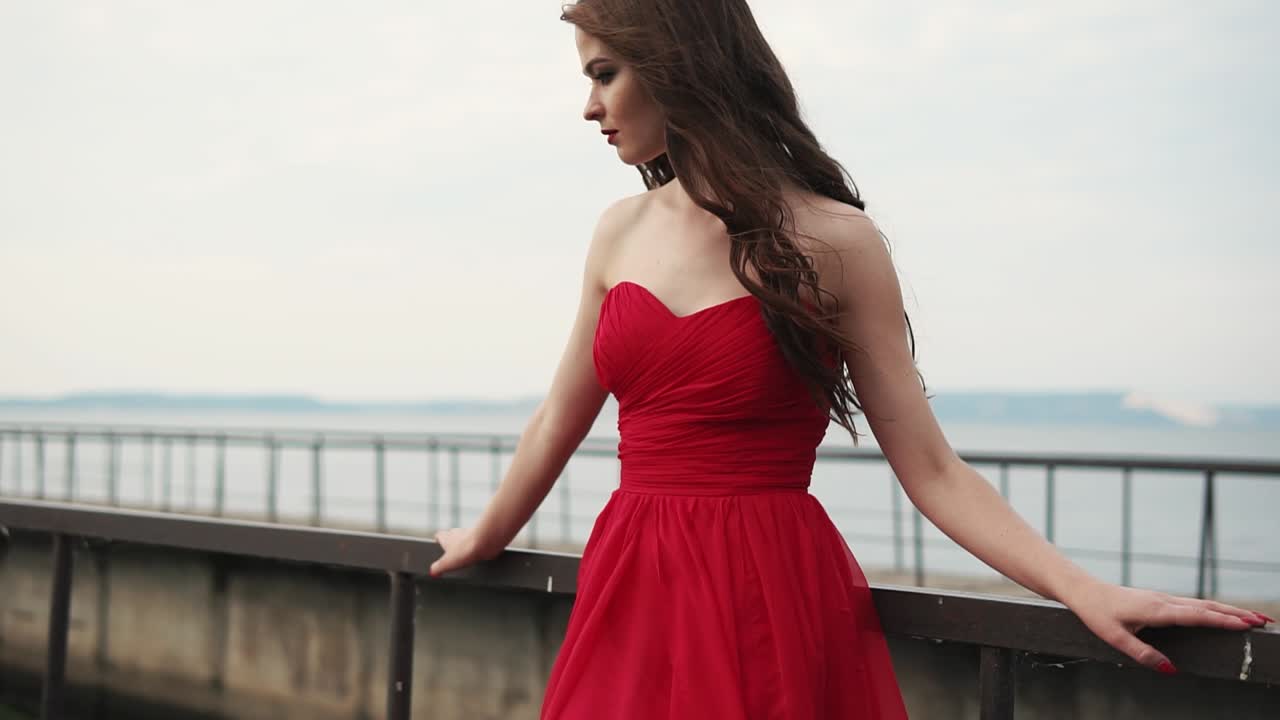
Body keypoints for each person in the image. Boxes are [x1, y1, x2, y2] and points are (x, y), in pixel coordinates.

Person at [429, 1, 1272, 717]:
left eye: (603, 73)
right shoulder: (618, 229)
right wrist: (486, 533)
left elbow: (933, 469)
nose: (589, 105)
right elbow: (557, 417)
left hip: (768, 587)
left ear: (676, 65)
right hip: (633, 586)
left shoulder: (836, 241)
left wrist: (1080, 588)